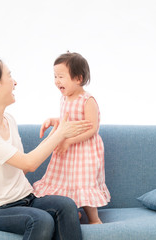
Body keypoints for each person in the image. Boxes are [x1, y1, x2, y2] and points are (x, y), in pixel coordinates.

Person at [0, 56, 92, 240]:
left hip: (26, 200)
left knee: (66, 205)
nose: (15, 82)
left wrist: (56, 134)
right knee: (41, 220)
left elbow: (23, 167)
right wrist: (60, 135)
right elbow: (30, 163)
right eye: (9, 76)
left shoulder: (9, 120)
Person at [33, 52, 111, 224]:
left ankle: (94, 218)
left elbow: (92, 128)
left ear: (78, 78)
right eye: (55, 76)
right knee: (65, 181)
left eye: (61, 76)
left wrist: (69, 141)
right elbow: (68, 121)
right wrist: (54, 121)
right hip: (66, 149)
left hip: (84, 150)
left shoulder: (87, 100)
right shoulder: (64, 98)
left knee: (83, 182)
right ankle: (70, 211)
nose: (57, 81)